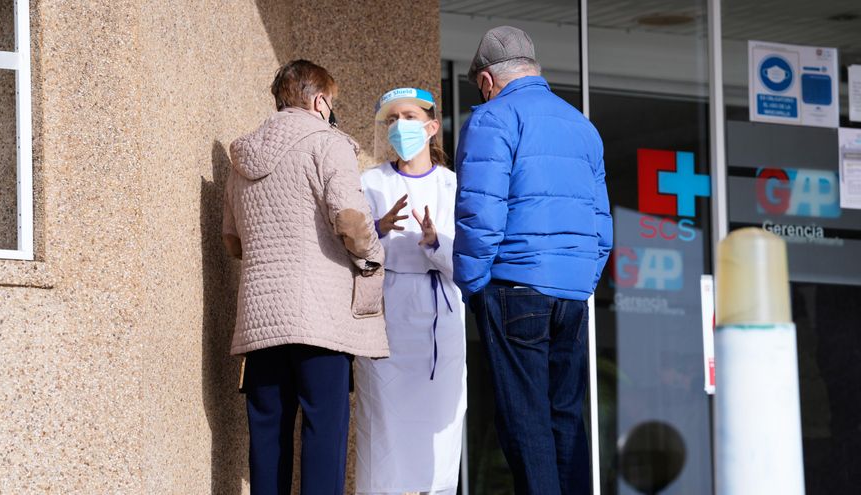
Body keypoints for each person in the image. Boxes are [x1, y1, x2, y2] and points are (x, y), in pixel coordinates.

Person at [453, 26, 613, 495]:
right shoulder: (582, 125)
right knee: (565, 416)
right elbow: (601, 223)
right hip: (571, 294)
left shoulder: (492, 119)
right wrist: (581, 278)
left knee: (525, 422)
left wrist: (473, 285)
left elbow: (480, 213)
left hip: (514, 287)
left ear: (486, 79)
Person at [222, 59, 388, 495]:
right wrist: (373, 255)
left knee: (267, 435)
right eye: (331, 102)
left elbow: (232, 242)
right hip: (320, 319)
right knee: (324, 430)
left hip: (261, 319)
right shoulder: (327, 143)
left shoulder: (242, 157)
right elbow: (351, 222)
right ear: (319, 101)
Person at [353, 87, 467, 495]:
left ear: (432, 127)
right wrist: (378, 230)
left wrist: (436, 241)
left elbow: (468, 266)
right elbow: (352, 254)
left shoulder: (455, 186)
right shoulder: (370, 182)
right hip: (388, 319)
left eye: (409, 117)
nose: (399, 126)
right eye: (391, 119)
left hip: (440, 322)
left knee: (439, 434)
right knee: (383, 430)